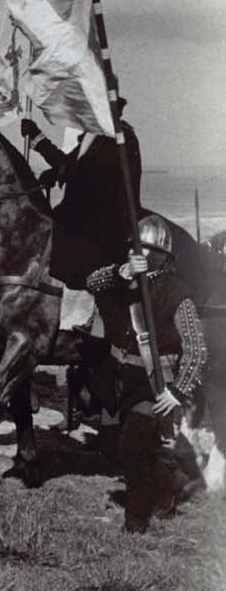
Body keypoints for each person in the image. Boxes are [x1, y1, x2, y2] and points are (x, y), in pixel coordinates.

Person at [89, 216, 209, 532]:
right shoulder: (122, 281)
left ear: (163, 256)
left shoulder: (178, 293)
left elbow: (196, 349)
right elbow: (92, 282)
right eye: (134, 248)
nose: (137, 254)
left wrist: (177, 392)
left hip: (155, 384)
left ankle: (135, 521)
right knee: (119, 445)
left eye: (147, 250)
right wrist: (120, 272)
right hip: (119, 378)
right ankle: (169, 483)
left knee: (134, 445)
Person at [21, 101, 141, 290]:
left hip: (104, 218)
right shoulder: (94, 136)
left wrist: (59, 170)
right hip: (90, 211)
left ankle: (72, 291)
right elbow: (69, 163)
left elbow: (79, 169)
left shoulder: (119, 137)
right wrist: (37, 138)